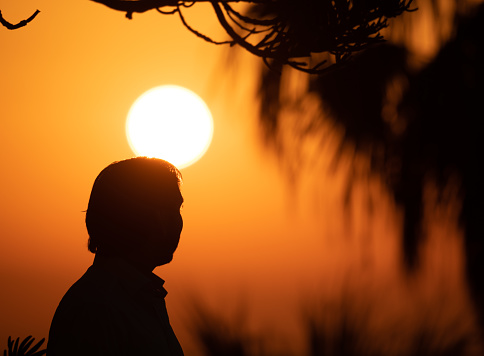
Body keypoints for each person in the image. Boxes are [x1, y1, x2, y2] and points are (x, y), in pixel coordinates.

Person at [48, 157, 185, 356]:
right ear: (137, 215)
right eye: (170, 209)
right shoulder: (98, 308)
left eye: (178, 209)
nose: (177, 222)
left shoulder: (138, 297)